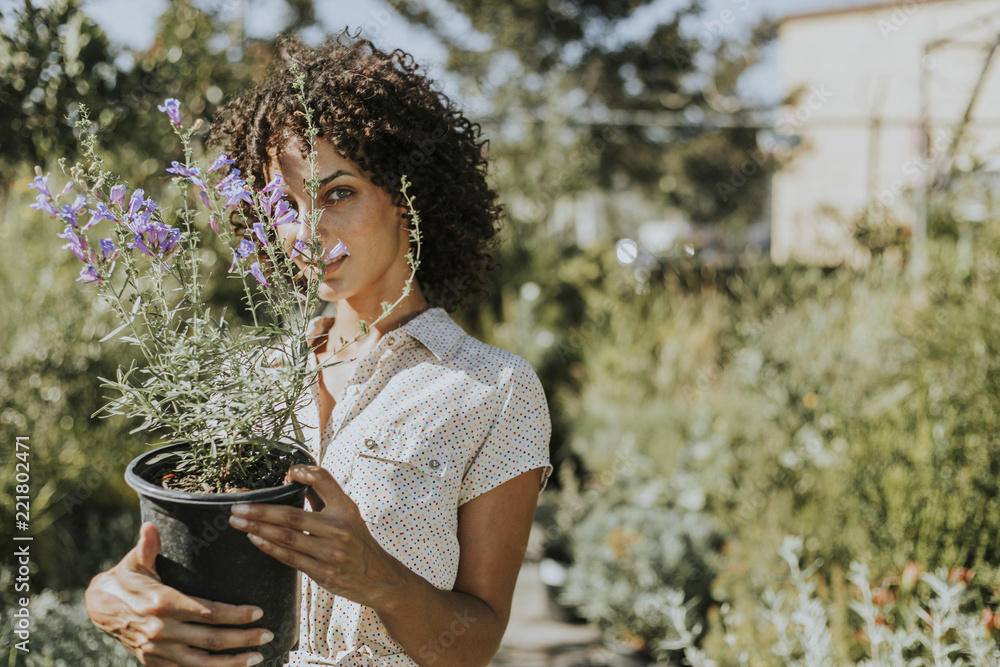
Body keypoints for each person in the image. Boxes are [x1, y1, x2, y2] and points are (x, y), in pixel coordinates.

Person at [84, 32, 552, 667]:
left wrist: (375, 577)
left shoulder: (493, 389)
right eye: (286, 203)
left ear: (406, 199)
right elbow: (168, 553)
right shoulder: (251, 376)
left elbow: (473, 645)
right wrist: (112, 600)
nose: (308, 231)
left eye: (338, 194)